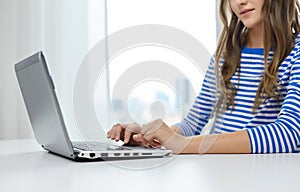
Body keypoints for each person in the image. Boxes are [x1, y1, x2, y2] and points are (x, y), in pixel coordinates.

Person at [107, 0, 300, 154]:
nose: (240, 2)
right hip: (220, 176)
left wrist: (183, 144)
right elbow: (192, 124)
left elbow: (290, 133)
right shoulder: (226, 55)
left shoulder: (296, 52)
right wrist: (150, 136)